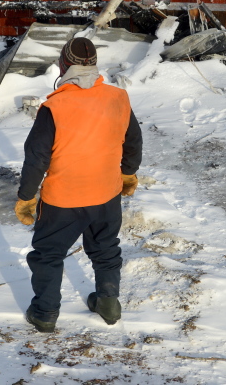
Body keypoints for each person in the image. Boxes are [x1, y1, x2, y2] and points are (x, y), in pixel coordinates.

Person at [14, 36, 142, 332]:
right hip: (106, 194)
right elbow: (132, 141)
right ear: (94, 64)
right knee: (106, 248)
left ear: (63, 65)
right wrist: (127, 173)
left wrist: (26, 196)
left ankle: (45, 313)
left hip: (63, 201)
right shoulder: (117, 98)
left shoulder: (54, 107)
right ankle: (108, 303)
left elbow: (36, 159)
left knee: (48, 255)